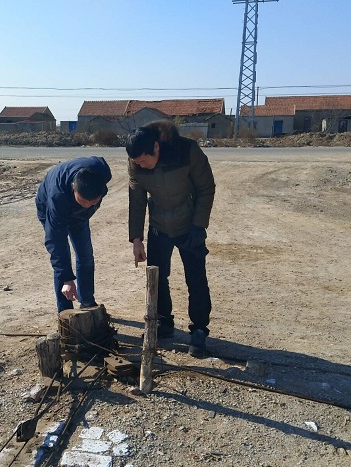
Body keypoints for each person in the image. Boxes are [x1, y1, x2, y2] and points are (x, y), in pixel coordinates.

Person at [126, 121, 216, 357]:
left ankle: (199, 330)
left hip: (189, 225)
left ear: (156, 147)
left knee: (195, 279)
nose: (140, 165)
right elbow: (137, 201)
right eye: (136, 162)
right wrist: (136, 239)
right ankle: (163, 322)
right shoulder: (135, 162)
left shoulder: (187, 151)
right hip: (159, 227)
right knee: (157, 277)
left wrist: (199, 226)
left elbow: (206, 187)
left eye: (143, 161)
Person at [36, 157, 111, 313]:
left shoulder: (102, 173)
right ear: (73, 188)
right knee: (62, 258)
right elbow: (56, 241)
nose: (87, 206)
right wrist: (67, 279)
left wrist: (86, 207)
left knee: (85, 255)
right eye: (82, 201)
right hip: (49, 207)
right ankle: (65, 312)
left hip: (78, 218)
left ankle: (87, 302)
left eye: (92, 203)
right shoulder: (57, 197)